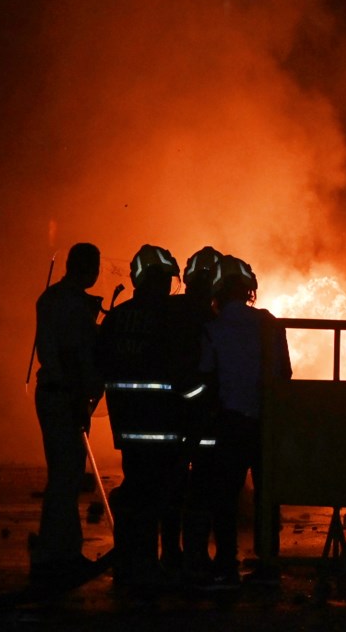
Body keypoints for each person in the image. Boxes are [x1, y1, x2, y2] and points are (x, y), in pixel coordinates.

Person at [97, 244, 202, 588]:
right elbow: (184, 374)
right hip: (164, 426)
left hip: (128, 426)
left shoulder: (116, 317)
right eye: (166, 279)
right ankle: (159, 565)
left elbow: (101, 367)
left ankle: (131, 563)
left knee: (136, 492)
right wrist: (202, 404)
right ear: (156, 279)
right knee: (166, 496)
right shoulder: (171, 318)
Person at [199, 254, 291, 588]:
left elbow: (206, 377)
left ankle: (226, 564)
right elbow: (285, 375)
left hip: (230, 423)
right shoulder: (269, 323)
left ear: (218, 290)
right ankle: (268, 564)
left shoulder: (213, 328)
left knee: (225, 496)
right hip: (265, 423)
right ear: (249, 289)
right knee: (267, 494)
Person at [30, 242, 104, 583]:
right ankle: (58, 553)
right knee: (66, 476)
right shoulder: (72, 305)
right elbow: (73, 355)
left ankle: (55, 548)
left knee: (64, 475)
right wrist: (81, 394)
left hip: (56, 395)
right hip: (63, 397)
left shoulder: (52, 299)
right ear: (86, 267)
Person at [174, 246, 224, 583]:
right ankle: (195, 556)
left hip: (168, 417)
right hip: (204, 417)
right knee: (204, 489)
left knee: (171, 487)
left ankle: (170, 555)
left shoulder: (169, 311)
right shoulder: (216, 320)